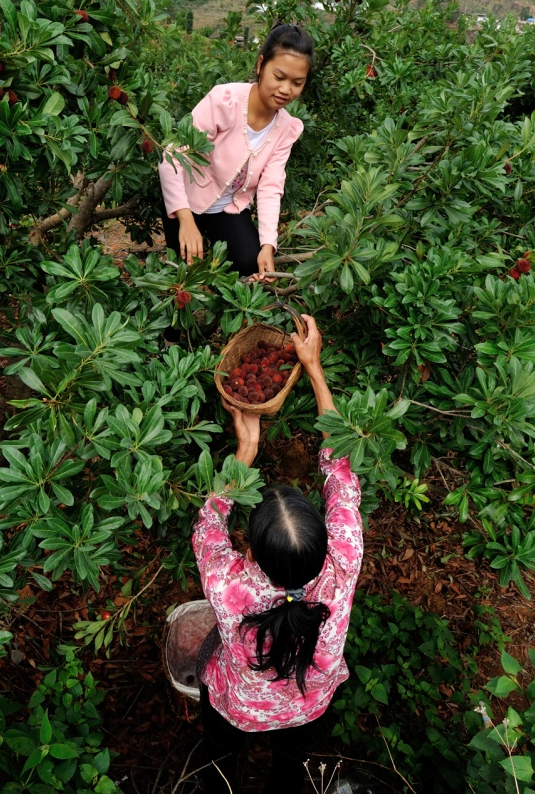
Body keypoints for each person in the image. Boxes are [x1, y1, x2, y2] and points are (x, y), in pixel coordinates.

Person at [192, 315, 363, 791]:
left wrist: (246, 447)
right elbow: (340, 468)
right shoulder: (342, 566)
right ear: (323, 539)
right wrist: (314, 367)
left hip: (236, 704)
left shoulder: (229, 585)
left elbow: (208, 520)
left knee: (218, 761)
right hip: (308, 707)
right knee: (289, 772)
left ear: (252, 549)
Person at [158, 23, 313, 280]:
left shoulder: (287, 128)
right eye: (279, 77)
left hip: (229, 206)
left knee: (249, 264)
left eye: (297, 83)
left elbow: (271, 186)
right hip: (186, 199)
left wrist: (267, 245)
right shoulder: (225, 101)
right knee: (182, 275)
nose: (286, 89)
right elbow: (172, 158)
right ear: (261, 66)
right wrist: (185, 221)